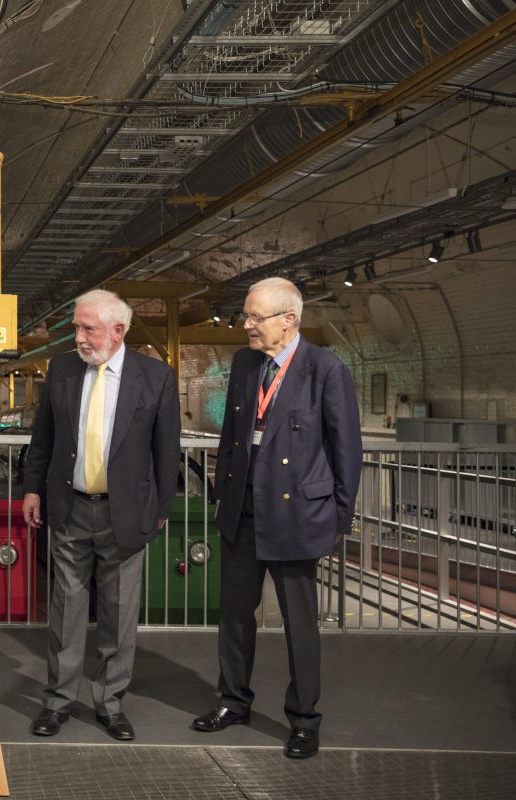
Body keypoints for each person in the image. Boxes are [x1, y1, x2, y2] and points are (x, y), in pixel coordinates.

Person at [191, 277, 361, 759]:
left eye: (255, 317)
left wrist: (337, 520)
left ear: (289, 320)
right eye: (246, 316)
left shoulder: (326, 370)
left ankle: (304, 720)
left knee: (299, 625)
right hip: (243, 512)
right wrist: (222, 495)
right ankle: (233, 702)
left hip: (298, 517)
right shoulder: (247, 363)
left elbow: (347, 451)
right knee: (235, 618)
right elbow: (232, 436)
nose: (246, 326)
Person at [22, 289, 181, 741]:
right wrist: (32, 488)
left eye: (87, 328)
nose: (79, 337)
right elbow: (44, 438)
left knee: (118, 613)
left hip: (126, 515)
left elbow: (167, 452)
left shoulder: (156, 378)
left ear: (118, 330)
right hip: (70, 508)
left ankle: (110, 704)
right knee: (66, 610)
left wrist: (160, 511)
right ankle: (58, 702)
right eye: (76, 327)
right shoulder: (63, 370)